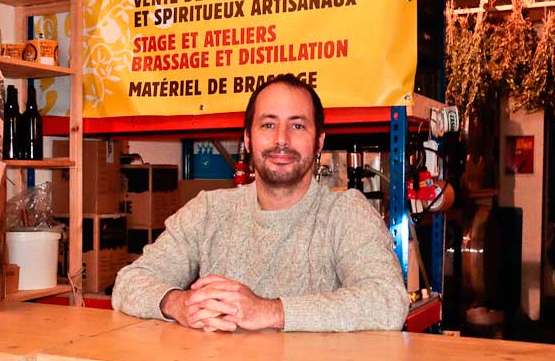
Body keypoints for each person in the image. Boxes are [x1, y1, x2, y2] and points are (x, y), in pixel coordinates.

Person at [111, 74, 409, 332]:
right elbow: (129, 283)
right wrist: (178, 303)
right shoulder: (208, 211)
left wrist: (268, 311)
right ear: (248, 140)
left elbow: (387, 302)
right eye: (268, 125)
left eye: (297, 126)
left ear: (318, 142)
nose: (281, 140)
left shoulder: (347, 214)